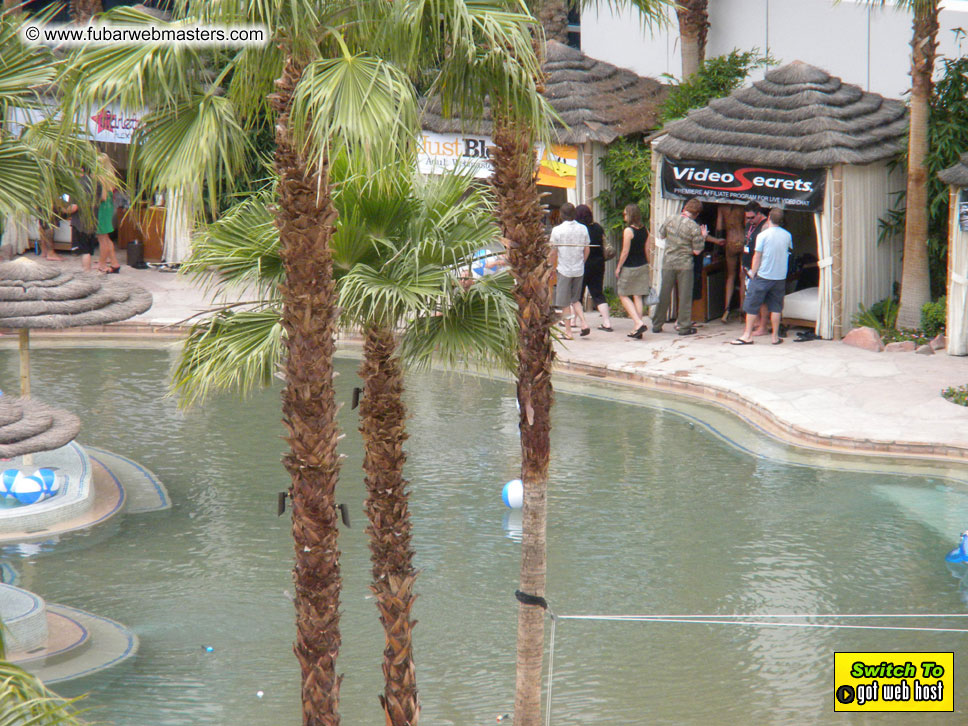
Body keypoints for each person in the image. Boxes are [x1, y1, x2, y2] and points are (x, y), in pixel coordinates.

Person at [732, 207, 793, 346]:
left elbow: (757, 256)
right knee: (776, 307)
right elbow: (789, 253)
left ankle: (747, 335)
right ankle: (775, 337)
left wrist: (752, 273)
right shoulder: (787, 235)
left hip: (763, 275)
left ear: (769, 218)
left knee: (752, 305)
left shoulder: (763, 235)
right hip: (779, 277)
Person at [653, 198, 707, 336]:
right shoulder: (694, 227)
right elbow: (697, 251)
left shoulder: (670, 219)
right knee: (685, 296)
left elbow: (661, 235)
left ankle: (657, 324)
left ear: (685, 208)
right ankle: (683, 327)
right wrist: (703, 237)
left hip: (668, 262)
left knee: (664, 293)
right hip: (684, 264)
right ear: (696, 214)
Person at [549, 202, 590, 340]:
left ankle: (568, 332)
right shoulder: (583, 229)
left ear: (561, 215)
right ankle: (584, 323)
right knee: (575, 299)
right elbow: (587, 249)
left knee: (565, 303)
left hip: (564, 269)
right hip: (579, 269)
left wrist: (551, 268)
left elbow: (553, 252)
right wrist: (582, 262)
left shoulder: (557, 230)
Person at [614, 203, 651, 338]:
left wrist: (618, 267)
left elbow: (625, 251)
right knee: (638, 295)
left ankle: (638, 323)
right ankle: (637, 328)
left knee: (623, 294)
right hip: (642, 265)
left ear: (630, 215)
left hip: (630, 267)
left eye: (625, 213)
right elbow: (647, 249)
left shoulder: (628, 231)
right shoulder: (645, 230)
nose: (623, 215)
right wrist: (649, 263)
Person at [575, 204, 613, 332]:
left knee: (577, 295)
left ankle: (573, 321)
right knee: (598, 294)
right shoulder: (598, 227)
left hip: (583, 264)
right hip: (598, 264)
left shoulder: (580, 229)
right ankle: (607, 322)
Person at [742, 201, 769, 335]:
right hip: (747, 263)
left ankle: (763, 326)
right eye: (747, 217)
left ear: (759, 214)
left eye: (752, 217)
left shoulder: (765, 226)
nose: (749, 220)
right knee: (751, 294)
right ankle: (757, 322)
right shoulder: (749, 224)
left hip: (758, 266)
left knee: (761, 298)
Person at [716, 203, 745, 322]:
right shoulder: (742, 206)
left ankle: (726, 310)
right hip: (742, 239)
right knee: (743, 276)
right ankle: (742, 310)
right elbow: (746, 223)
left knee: (731, 276)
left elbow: (719, 227)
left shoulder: (721, 207)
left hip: (730, 241)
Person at [65, 173, 96, 272]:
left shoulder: (77, 184)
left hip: (80, 223)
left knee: (84, 251)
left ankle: (86, 272)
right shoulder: (93, 182)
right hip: (92, 220)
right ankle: (88, 270)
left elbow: (74, 207)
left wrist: (64, 209)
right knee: (88, 250)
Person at [95, 154, 120, 273]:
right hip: (108, 207)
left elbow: (103, 197)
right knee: (106, 237)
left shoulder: (101, 177)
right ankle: (114, 262)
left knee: (102, 238)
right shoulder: (110, 176)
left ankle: (102, 264)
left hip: (102, 208)